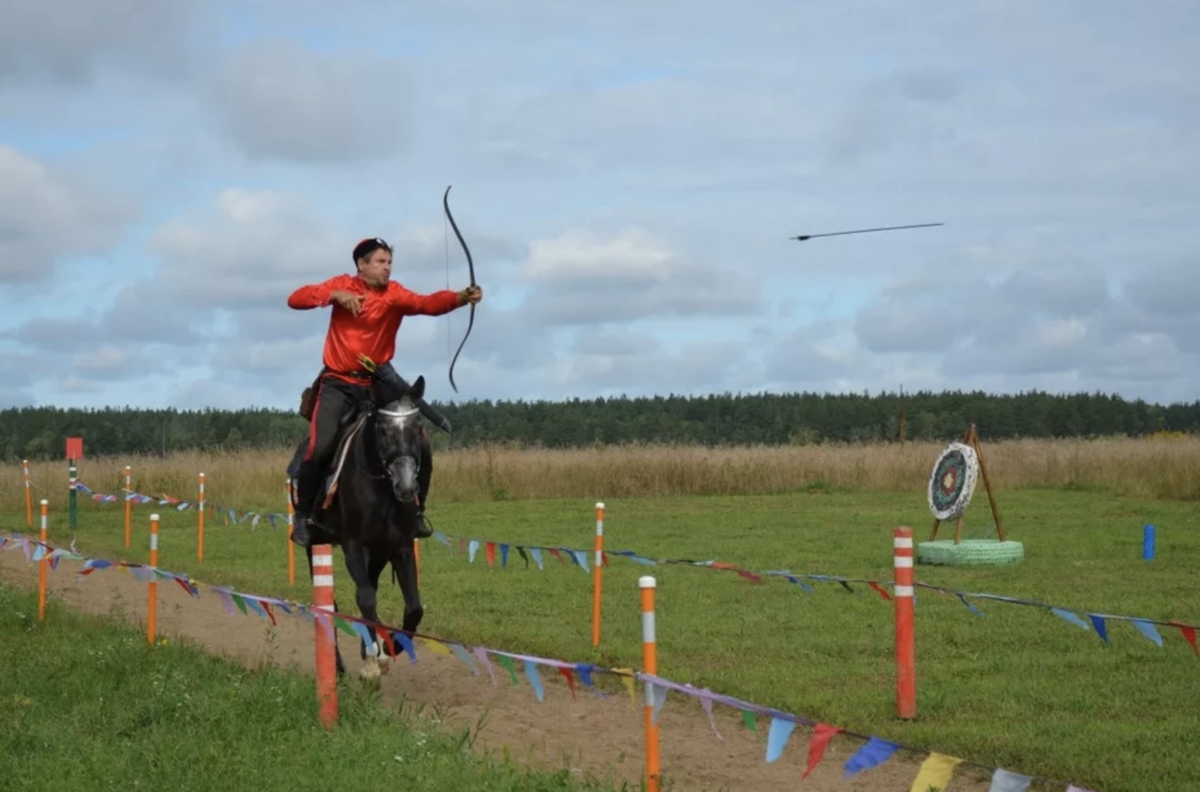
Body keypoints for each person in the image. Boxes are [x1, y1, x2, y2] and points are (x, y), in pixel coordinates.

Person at [286, 236, 483, 548]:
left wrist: (460, 297)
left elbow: (426, 303)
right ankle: (303, 516)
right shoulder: (341, 284)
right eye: (380, 262)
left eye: (389, 262)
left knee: (420, 443)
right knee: (320, 447)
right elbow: (295, 299)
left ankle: (416, 512)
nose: (387, 268)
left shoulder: (395, 293)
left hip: (377, 382)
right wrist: (335, 295)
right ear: (361, 265)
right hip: (338, 383)